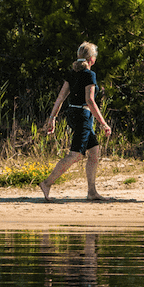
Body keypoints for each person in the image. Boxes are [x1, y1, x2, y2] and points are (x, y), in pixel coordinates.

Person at [40, 41, 113, 201]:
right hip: (82, 116)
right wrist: (103, 123)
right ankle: (47, 183)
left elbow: (60, 97)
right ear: (92, 59)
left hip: (73, 113)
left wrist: (52, 118)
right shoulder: (89, 74)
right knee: (76, 154)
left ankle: (92, 192)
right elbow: (90, 100)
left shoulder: (72, 73)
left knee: (94, 152)